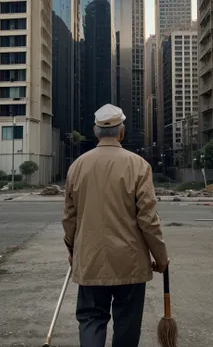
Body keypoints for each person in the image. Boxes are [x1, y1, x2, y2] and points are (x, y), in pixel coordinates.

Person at [63, 103, 169, 347]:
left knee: (91, 319)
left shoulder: (77, 166)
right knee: (127, 323)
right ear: (122, 132)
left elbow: (70, 218)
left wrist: (73, 251)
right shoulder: (139, 165)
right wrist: (161, 257)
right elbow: (148, 220)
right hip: (130, 262)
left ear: (95, 131)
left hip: (90, 259)